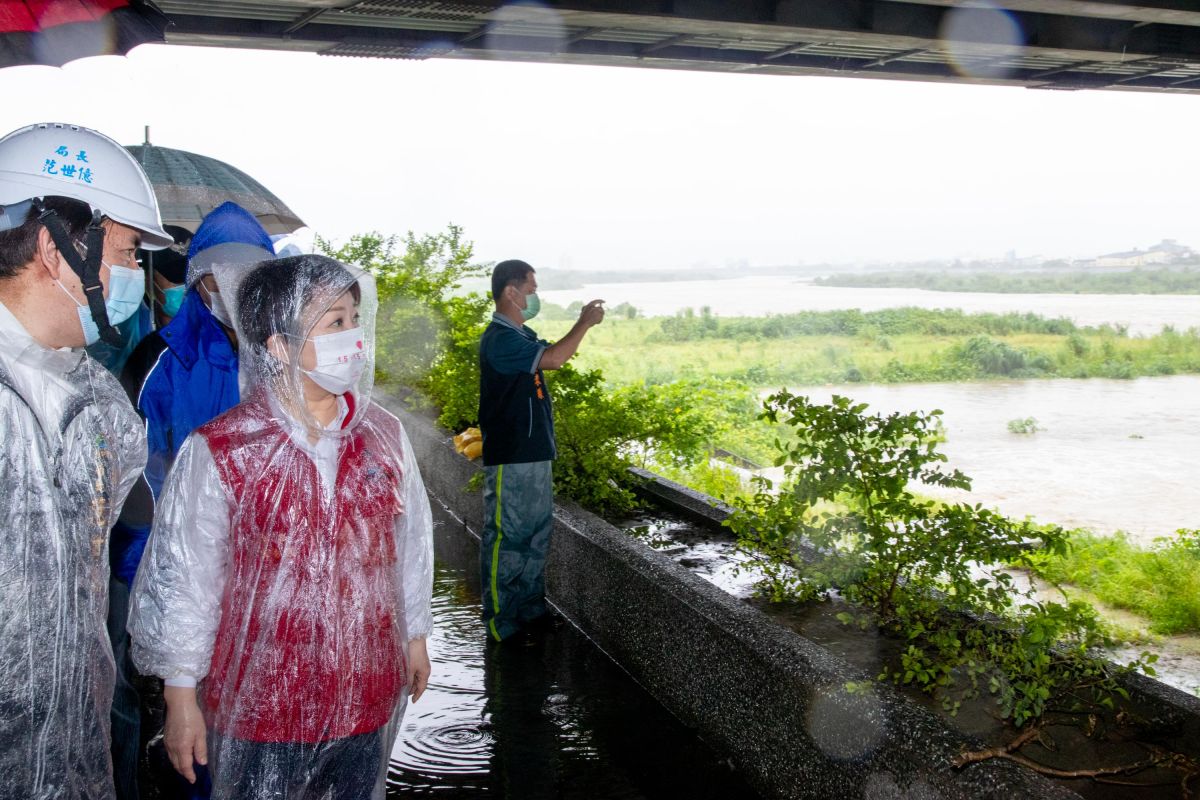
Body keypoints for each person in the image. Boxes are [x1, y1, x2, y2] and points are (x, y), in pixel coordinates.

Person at [129, 254, 434, 800]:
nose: (354, 337)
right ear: (279, 345)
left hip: (367, 693)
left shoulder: (384, 435)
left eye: (354, 319)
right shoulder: (223, 449)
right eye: (334, 322)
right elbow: (186, 580)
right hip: (262, 704)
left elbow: (408, 548)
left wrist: (414, 638)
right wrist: (180, 699)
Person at [0, 121, 172, 799]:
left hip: (71, 749)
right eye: (128, 252)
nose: (135, 275)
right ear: (56, 247)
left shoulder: (84, 388)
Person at [478, 259, 604, 642]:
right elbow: (555, 359)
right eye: (531, 290)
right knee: (507, 538)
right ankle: (501, 622)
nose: (535, 296)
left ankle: (530, 611)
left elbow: (547, 356)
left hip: (533, 452)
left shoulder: (521, 334)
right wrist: (584, 322)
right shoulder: (500, 339)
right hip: (512, 454)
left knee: (535, 535)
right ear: (512, 293)